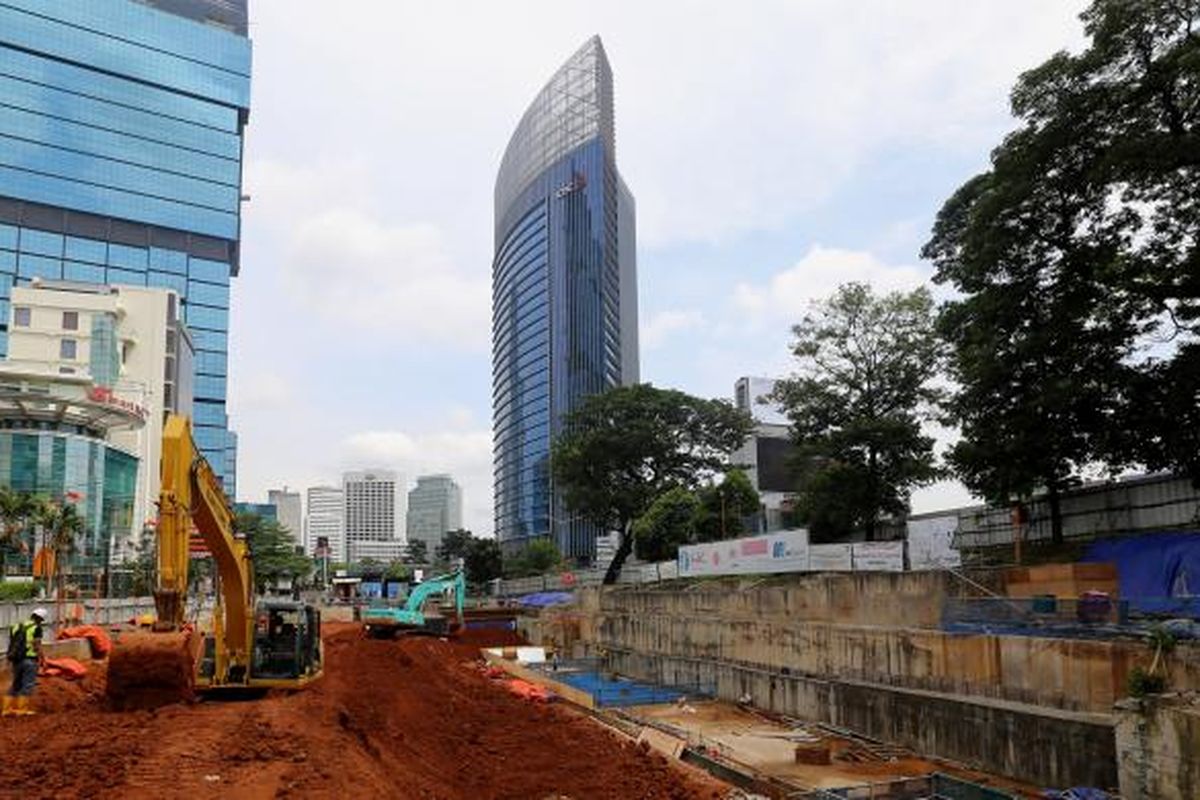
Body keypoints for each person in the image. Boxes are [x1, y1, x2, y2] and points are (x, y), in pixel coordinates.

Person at [4, 607, 47, 717]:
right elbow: (36, 645)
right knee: (27, 685)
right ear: (40, 619)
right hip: (30, 660)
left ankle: (6, 709)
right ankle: (21, 710)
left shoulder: (16, 626)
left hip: (16, 660)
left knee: (15, 684)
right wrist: (42, 658)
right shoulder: (36, 628)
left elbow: (12, 643)